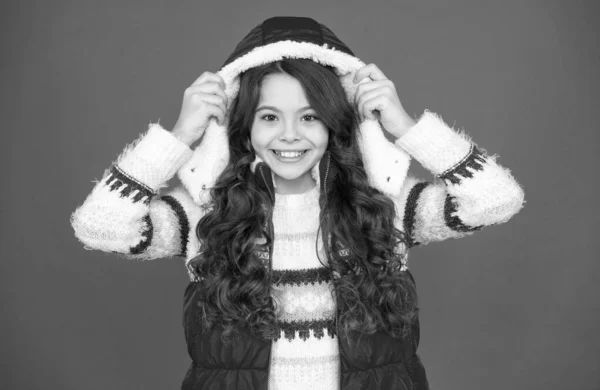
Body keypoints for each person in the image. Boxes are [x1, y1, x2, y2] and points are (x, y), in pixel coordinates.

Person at [70, 16, 526, 390]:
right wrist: (179, 136)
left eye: (310, 117)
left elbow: (495, 200)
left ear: (334, 124)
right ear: (243, 126)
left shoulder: (383, 207)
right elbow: (101, 227)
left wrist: (404, 126)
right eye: (269, 117)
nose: (289, 135)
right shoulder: (205, 213)